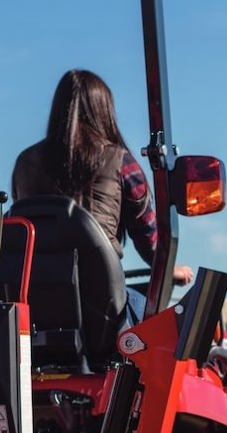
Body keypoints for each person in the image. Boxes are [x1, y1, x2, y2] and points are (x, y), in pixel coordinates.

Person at [11, 69, 193, 322]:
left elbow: (20, 228)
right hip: (100, 306)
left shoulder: (24, 163)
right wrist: (171, 270)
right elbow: (150, 240)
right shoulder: (120, 161)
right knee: (176, 325)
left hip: (33, 305)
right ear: (104, 110)